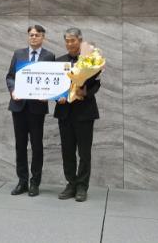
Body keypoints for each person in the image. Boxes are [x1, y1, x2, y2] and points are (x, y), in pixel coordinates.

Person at [5, 24, 55, 197]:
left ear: (43, 37)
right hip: (19, 106)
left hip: (37, 107)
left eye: (37, 35)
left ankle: (35, 183)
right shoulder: (18, 54)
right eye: (31, 35)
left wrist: (48, 94)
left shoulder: (49, 56)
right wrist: (13, 91)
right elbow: (10, 76)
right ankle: (22, 181)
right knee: (20, 145)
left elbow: (53, 79)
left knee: (37, 146)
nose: (33, 37)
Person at [54, 27, 100, 202]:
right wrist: (57, 97)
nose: (69, 44)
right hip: (64, 113)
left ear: (80, 41)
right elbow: (54, 85)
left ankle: (82, 186)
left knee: (84, 152)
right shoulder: (59, 61)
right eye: (66, 41)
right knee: (67, 151)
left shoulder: (90, 60)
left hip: (85, 113)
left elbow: (97, 84)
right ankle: (71, 184)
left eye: (72, 40)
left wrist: (84, 91)